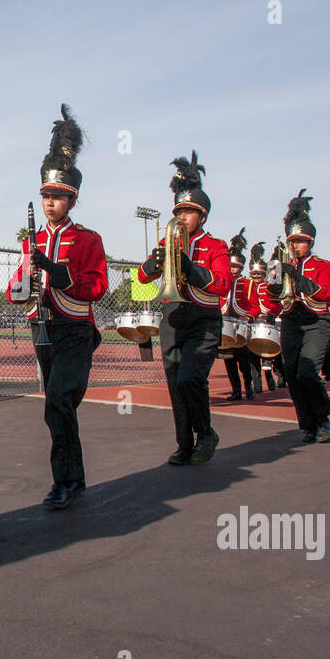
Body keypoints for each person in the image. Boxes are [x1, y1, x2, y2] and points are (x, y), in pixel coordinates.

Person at [5, 105, 108, 509]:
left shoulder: (88, 240)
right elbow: (16, 289)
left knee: (59, 401)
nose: (50, 203)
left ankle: (64, 482)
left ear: (72, 199)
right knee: (57, 407)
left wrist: (57, 272)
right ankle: (73, 479)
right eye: (46, 196)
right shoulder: (30, 243)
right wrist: (23, 283)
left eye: (59, 197)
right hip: (41, 329)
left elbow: (96, 286)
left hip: (74, 332)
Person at [136, 155, 231, 465]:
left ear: (202, 217)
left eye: (189, 211)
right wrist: (156, 261)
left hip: (203, 320)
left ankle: (206, 433)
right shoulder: (168, 240)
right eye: (178, 211)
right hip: (173, 317)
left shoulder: (216, 246)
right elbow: (142, 276)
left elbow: (222, 284)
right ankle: (184, 444)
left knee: (191, 378)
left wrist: (190, 268)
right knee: (176, 383)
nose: (182, 216)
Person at [268, 190, 330, 443]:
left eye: (301, 241)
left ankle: (323, 417)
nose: (295, 246)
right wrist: (273, 278)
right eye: (292, 241)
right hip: (290, 321)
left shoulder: (323, 265)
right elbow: (271, 298)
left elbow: (326, 294)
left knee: (308, 372)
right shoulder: (282, 262)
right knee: (293, 375)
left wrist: (298, 279)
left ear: (311, 242)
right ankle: (307, 423)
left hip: (315, 322)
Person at [220, 228, 259, 400]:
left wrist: (248, 316)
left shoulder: (249, 284)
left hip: (241, 326)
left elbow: (256, 307)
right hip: (226, 324)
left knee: (244, 360)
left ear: (241, 267)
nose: (233, 270)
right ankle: (236, 390)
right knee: (228, 360)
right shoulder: (221, 283)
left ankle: (248, 385)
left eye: (236, 267)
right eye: (231, 266)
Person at [248, 243, 281, 392]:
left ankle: (274, 377)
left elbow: (277, 304)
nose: (256, 277)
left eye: (259, 275)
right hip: (252, 321)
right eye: (253, 274)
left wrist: (271, 314)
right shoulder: (247, 286)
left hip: (268, 321)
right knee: (253, 355)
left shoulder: (269, 286)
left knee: (269, 354)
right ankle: (257, 386)